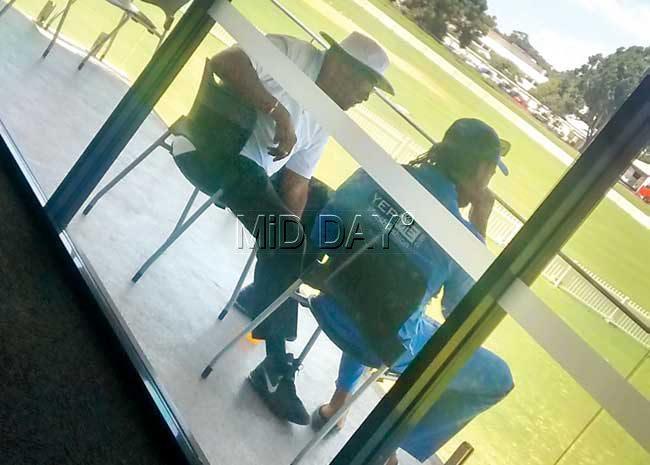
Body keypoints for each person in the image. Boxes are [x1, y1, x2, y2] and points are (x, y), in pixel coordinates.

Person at [172, 31, 394, 425]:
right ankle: (273, 366)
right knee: (290, 245)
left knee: (330, 214)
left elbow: (296, 183)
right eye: (367, 85)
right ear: (342, 66)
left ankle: (267, 290)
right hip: (214, 151)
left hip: (256, 175)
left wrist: (289, 235)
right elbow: (226, 59)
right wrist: (277, 111)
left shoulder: (327, 114)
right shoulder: (290, 52)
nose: (365, 97)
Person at [307, 118, 514, 465]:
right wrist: (479, 223)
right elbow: (462, 313)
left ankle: (338, 405)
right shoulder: (456, 235)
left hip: (334, 300)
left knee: (376, 294)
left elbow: (322, 232)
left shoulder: (377, 176)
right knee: (498, 378)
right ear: (480, 172)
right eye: (491, 173)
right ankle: (383, 447)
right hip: (384, 339)